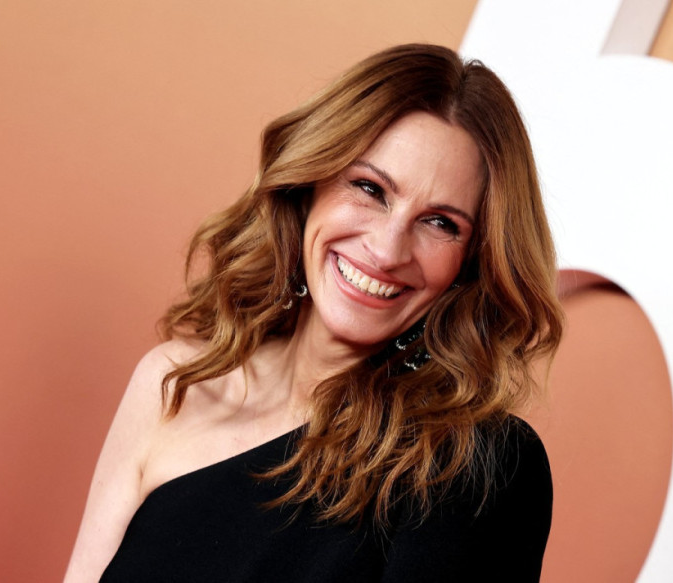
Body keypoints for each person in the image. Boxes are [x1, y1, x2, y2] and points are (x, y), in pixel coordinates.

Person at [65, 43, 563, 582]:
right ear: (308, 185)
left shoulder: (475, 466)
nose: (388, 250)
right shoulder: (174, 383)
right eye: (370, 188)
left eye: (441, 223)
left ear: (471, 263)